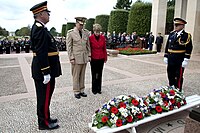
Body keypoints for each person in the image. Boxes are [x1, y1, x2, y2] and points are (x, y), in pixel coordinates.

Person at [30, 1, 62, 130]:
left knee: (46, 97)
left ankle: (46, 117)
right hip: (44, 71)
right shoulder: (39, 29)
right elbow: (41, 52)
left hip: (46, 69)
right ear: (41, 14)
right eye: (47, 13)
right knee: (43, 97)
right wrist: (46, 72)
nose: (49, 15)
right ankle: (44, 123)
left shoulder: (41, 28)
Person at [164, 17, 193, 91]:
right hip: (171, 58)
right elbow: (167, 45)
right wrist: (166, 56)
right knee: (170, 74)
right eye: (175, 25)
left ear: (182, 26)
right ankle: (171, 89)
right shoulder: (172, 34)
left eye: (177, 25)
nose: (175, 27)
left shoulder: (186, 36)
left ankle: (178, 90)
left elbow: (189, 48)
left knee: (178, 76)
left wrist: (186, 59)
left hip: (179, 59)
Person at [66, 17, 91, 99]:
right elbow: (69, 47)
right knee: (76, 75)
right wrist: (71, 57)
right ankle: (76, 91)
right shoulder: (71, 33)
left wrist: (89, 55)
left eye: (82, 25)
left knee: (82, 75)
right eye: (80, 24)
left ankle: (82, 90)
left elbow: (88, 45)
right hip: (76, 58)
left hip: (84, 57)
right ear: (76, 24)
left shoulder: (86, 33)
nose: (81, 26)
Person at [89, 24, 107, 95]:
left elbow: (104, 48)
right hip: (94, 58)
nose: (97, 33)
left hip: (101, 58)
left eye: (98, 32)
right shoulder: (90, 38)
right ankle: (94, 89)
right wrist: (89, 56)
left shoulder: (102, 38)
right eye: (96, 32)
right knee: (94, 74)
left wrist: (105, 58)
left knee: (99, 74)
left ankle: (99, 88)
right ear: (94, 31)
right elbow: (89, 48)